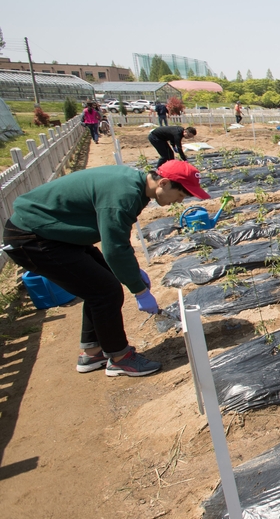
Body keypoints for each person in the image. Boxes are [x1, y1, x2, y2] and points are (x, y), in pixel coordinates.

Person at [2, 161, 210, 377]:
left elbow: (118, 238)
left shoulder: (134, 186)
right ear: (164, 183)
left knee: (100, 284)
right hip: (34, 237)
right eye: (180, 196)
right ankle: (119, 359)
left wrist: (132, 270)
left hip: (54, 233)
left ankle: (92, 353)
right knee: (105, 291)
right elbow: (114, 249)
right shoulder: (123, 196)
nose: (178, 202)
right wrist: (139, 290)